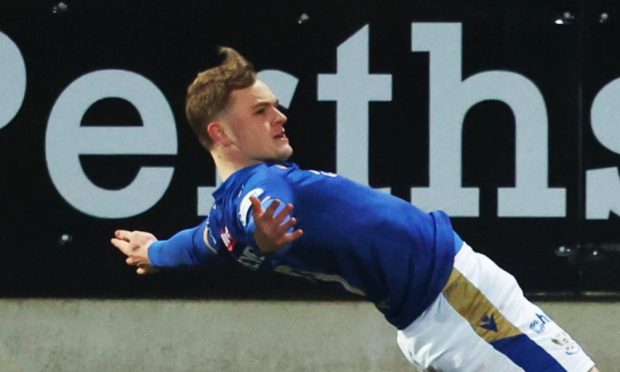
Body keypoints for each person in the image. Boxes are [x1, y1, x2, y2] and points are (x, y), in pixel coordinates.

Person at [111, 47, 598, 371]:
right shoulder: (258, 189)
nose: (279, 117)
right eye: (260, 111)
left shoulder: (225, 214)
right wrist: (265, 237)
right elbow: (266, 209)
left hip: (436, 309)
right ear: (221, 134)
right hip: (456, 301)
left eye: (275, 105)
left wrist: (154, 253)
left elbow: (197, 246)